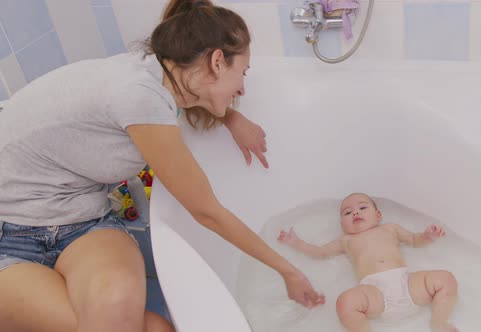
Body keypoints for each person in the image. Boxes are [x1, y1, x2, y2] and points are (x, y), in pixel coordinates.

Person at [0, 1, 324, 331]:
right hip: (7, 235)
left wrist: (231, 116)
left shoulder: (156, 72)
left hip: (84, 221)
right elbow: (206, 211)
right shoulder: (140, 96)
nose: (242, 87)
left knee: (116, 312)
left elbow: (186, 94)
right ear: (215, 61)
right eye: (242, 73)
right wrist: (289, 271)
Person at [278, 193, 459, 332]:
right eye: (347, 212)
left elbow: (413, 239)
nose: (355, 212)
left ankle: (439, 321)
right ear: (342, 224)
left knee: (446, 279)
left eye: (362, 208)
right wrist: (297, 243)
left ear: (378, 214)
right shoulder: (346, 240)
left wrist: (427, 236)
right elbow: (321, 252)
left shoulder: (390, 228)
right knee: (345, 303)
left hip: (407, 284)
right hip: (374, 293)